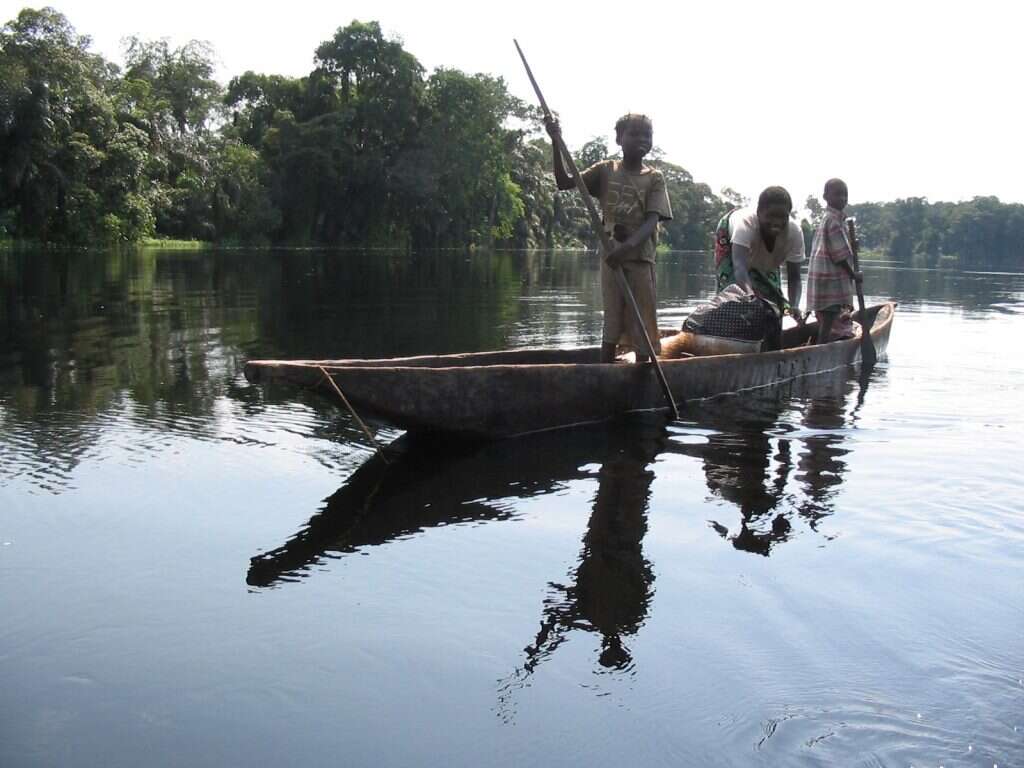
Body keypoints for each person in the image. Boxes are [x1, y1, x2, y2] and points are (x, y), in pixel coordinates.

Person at [546, 114, 673, 363]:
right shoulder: (606, 170)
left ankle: (643, 372)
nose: (642, 139)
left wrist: (627, 247)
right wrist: (555, 141)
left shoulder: (654, 177)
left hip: (639, 259)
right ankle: (605, 371)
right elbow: (564, 182)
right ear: (619, 138)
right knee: (612, 321)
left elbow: (651, 220)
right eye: (634, 134)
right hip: (612, 258)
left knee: (642, 323)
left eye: (647, 135)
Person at [713, 186, 805, 350]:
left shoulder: (794, 232)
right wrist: (751, 297)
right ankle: (730, 346)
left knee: (774, 304)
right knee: (735, 298)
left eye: (782, 217)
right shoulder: (745, 224)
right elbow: (739, 266)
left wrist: (794, 305)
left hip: (765, 259)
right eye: (770, 216)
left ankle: (769, 349)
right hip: (731, 244)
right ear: (758, 212)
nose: (776, 222)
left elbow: (795, 277)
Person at [806, 178, 863, 344]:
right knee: (828, 319)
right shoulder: (833, 221)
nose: (843, 199)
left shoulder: (831, 219)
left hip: (823, 279)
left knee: (827, 320)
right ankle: (821, 349)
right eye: (838, 194)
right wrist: (854, 275)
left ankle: (821, 344)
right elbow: (840, 256)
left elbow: (842, 247)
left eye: (845, 195)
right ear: (826, 196)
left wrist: (853, 245)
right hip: (828, 280)